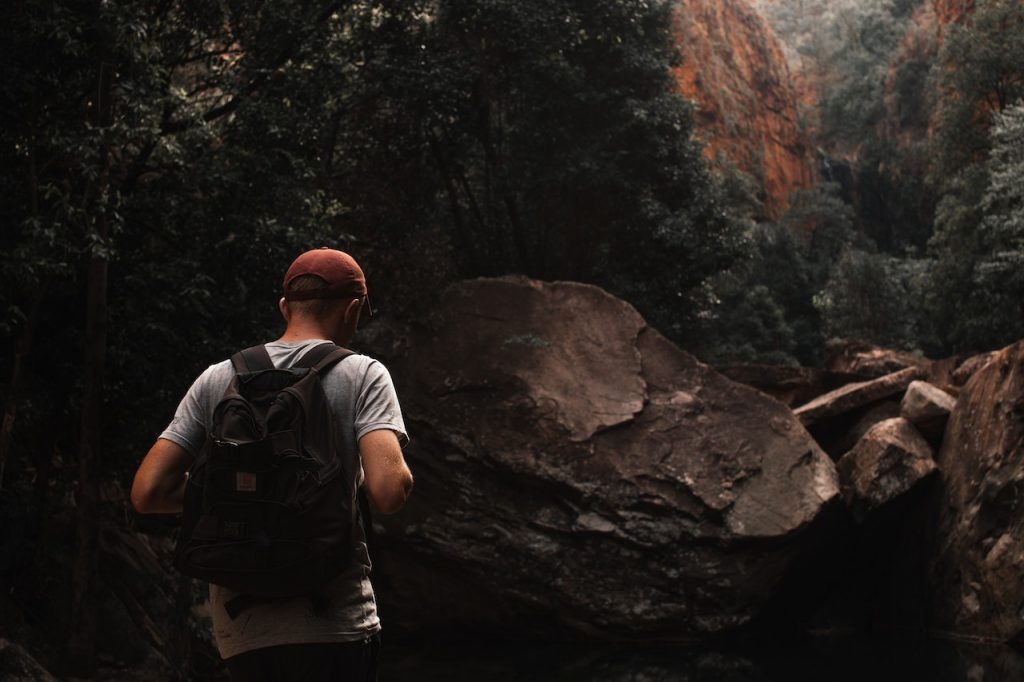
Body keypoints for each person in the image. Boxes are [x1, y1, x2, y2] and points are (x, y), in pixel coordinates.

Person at [130, 247, 413, 682]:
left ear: (284, 306)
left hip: (242, 628)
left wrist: (236, 494)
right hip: (333, 622)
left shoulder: (218, 378)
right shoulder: (363, 375)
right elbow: (389, 492)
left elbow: (147, 494)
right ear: (353, 309)